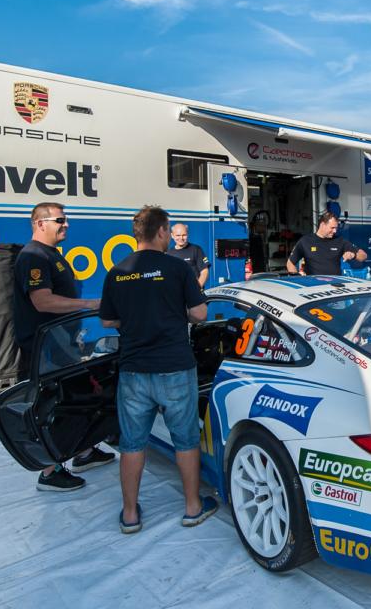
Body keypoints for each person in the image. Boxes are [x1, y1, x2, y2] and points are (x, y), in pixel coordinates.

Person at [99, 205, 215, 534]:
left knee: (132, 444)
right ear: (162, 231)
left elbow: (107, 320)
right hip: (175, 367)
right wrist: (173, 313)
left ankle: (130, 514)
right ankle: (192, 507)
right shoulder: (177, 268)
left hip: (134, 369)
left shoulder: (117, 271)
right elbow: (201, 314)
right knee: (185, 440)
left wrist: (137, 318)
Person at [13, 202, 112, 492]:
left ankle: (83, 451)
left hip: (61, 342)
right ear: (40, 223)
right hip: (45, 346)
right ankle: (49, 471)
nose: (66, 224)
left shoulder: (51, 254)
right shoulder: (33, 256)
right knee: (50, 404)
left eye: (65, 220)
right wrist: (89, 305)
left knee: (77, 397)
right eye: (60, 220)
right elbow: (42, 301)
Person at [287, 212, 367, 276]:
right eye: (332, 228)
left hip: (335, 286)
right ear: (322, 225)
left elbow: (363, 256)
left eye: (336, 228)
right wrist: (298, 279)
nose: (335, 231)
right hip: (314, 288)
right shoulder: (305, 241)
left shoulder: (340, 241)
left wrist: (353, 255)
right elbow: (290, 264)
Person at [166, 223, 210, 288]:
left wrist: (196, 289)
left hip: (193, 291)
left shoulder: (196, 249)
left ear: (188, 234)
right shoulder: (169, 253)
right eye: (178, 235)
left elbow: (204, 272)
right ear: (172, 235)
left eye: (184, 235)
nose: (181, 238)